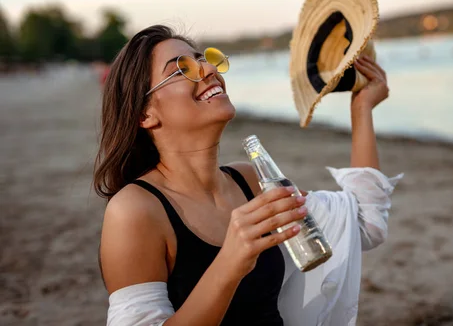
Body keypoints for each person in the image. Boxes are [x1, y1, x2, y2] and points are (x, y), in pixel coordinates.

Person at [95, 24, 400, 326]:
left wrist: (362, 108)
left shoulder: (250, 181)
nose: (207, 70)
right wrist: (230, 262)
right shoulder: (134, 211)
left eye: (204, 59)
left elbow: (361, 223)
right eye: (181, 69)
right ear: (145, 114)